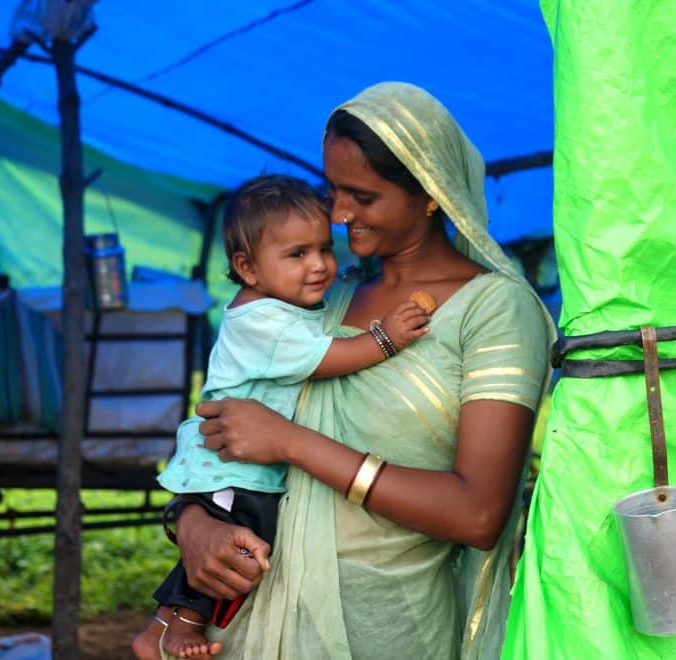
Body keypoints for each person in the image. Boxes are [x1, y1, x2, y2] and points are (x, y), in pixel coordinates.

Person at [139, 82, 556, 660]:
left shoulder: (493, 310)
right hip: (244, 623)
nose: (337, 215)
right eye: (333, 189)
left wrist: (290, 442)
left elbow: (479, 513)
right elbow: (223, 430)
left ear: (430, 193)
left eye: (361, 195)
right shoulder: (322, 300)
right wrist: (191, 523)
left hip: (381, 628)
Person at [133, 174, 432, 660]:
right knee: (237, 546)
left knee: (234, 540)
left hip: (237, 463)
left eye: (324, 249)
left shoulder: (281, 304)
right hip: (233, 465)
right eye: (297, 255)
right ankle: (181, 624)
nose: (319, 266)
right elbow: (328, 357)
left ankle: (160, 627)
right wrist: (385, 339)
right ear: (247, 267)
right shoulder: (262, 322)